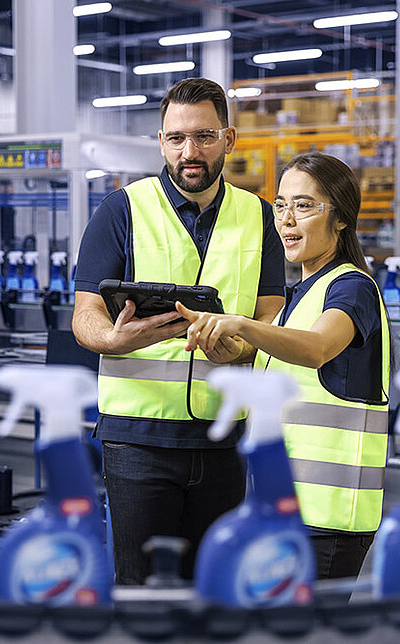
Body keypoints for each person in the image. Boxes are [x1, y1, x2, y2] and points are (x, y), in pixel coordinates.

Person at [71, 77, 286, 585]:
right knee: (141, 590)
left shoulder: (259, 216)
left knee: (214, 590)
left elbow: (270, 317)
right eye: (175, 138)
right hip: (138, 440)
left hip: (224, 438)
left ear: (228, 140)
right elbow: (84, 316)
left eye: (205, 137)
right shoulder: (121, 209)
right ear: (161, 140)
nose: (190, 151)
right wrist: (114, 340)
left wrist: (240, 348)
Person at [177, 152, 391, 579]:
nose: (287, 219)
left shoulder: (352, 288)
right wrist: (233, 351)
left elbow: (316, 349)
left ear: (342, 218)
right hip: (286, 507)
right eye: (281, 205)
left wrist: (242, 324)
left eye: (304, 205)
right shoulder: (301, 295)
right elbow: (288, 367)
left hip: (328, 518)